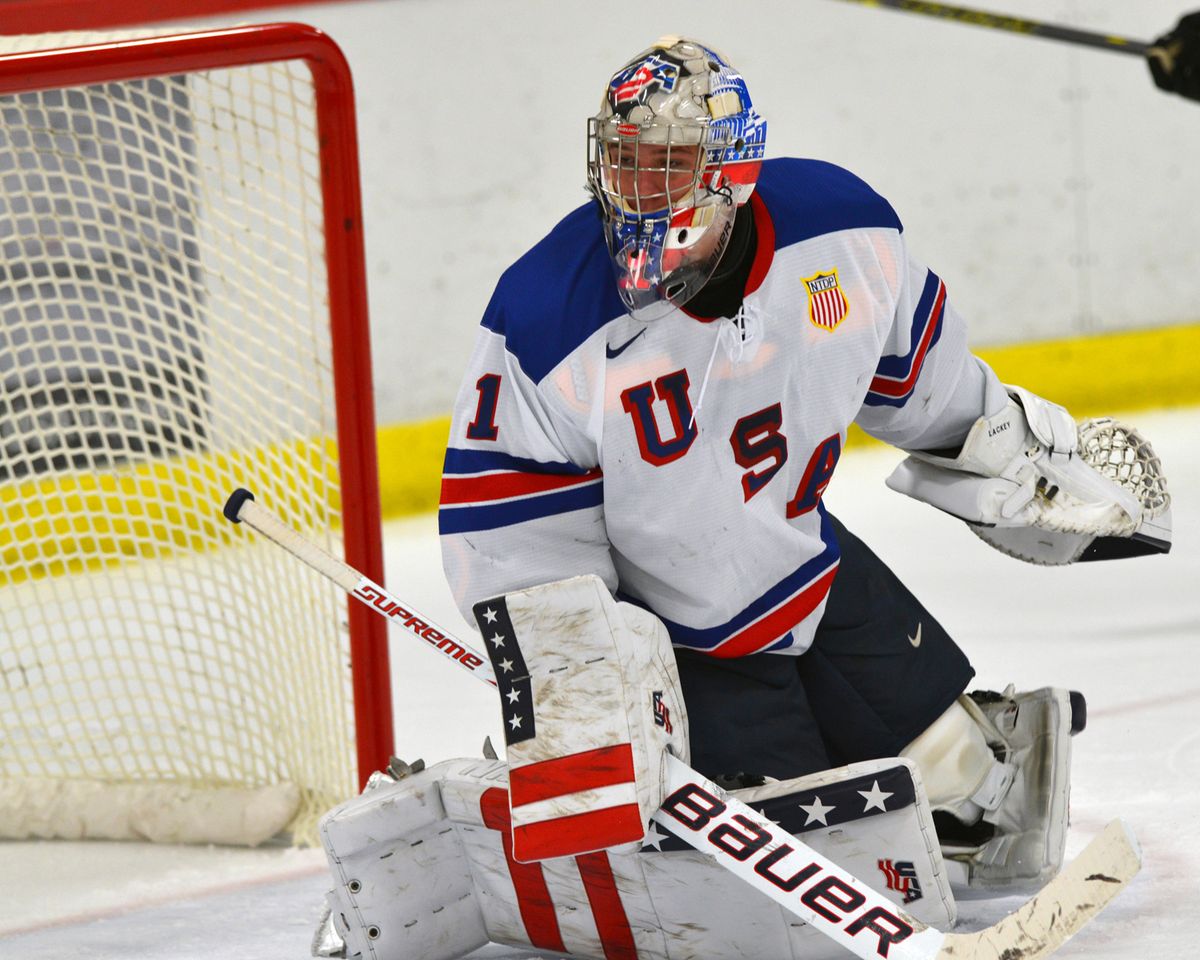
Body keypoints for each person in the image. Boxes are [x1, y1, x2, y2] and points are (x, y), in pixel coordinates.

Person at [438, 36, 1168, 893]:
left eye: (668, 166)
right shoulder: (544, 320)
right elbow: (516, 544)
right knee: (790, 859)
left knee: (960, 775)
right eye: (627, 163)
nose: (639, 191)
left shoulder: (843, 235)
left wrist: (1036, 465)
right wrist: (585, 689)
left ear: (733, 174)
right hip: (675, 639)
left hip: (806, 571)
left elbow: (930, 394)